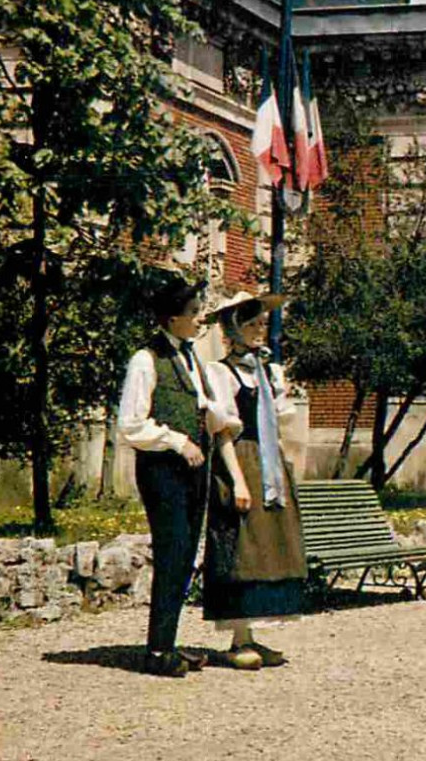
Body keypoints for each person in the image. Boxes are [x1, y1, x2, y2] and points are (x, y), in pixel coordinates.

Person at [116, 275, 237, 677]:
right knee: (172, 554)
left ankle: (166, 642)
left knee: (185, 557)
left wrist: (227, 423)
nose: (200, 319)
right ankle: (156, 653)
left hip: (193, 471)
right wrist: (176, 441)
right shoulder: (145, 360)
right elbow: (131, 425)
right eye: (192, 313)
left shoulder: (190, 357)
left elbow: (204, 406)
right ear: (171, 319)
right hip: (163, 470)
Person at [199, 291, 305, 670]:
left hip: (269, 462)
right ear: (233, 329)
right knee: (242, 545)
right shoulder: (219, 372)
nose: (261, 330)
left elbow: (278, 420)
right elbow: (223, 432)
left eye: (263, 323)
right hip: (241, 458)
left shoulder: (267, 371)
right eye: (252, 324)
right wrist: (238, 481)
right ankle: (237, 638)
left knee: (270, 544)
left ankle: (253, 633)